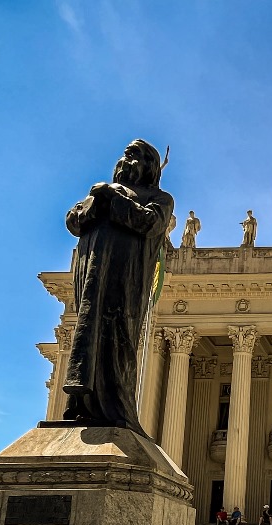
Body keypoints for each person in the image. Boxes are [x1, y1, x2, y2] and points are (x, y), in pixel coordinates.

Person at [62, 139, 173, 430]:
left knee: (118, 340)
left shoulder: (158, 198)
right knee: (87, 336)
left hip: (125, 280)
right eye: (125, 154)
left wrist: (115, 198)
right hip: (92, 278)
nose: (127, 160)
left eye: (134, 155)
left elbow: (149, 222)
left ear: (148, 164)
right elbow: (74, 221)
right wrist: (99, 199)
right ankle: (81, 404)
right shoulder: (98, 193)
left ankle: (116, 408)